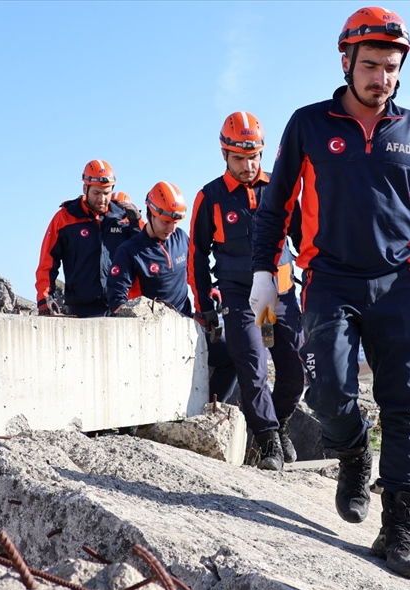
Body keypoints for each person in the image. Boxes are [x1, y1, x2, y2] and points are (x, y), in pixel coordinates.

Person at [250, 6, 410, 580]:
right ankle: (350, 452)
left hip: (397, 286)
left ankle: (399, 528)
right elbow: (276, 208)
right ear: (346, 62)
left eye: (391, 68)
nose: (381, 78)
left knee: (404, 406)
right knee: (325, 395)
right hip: (329, 283)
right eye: (371, 66)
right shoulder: (309, 124)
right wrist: (263, 272)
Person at [189, 111, 305, 471]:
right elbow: (196, 254)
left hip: (283, 294)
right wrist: (204, 303)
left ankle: (280, 422)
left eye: (253, 156)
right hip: (239, 297)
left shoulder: (280, 189)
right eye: (239, 157)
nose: (247, 164)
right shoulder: (210, 197)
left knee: (296, 370)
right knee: (253, 365)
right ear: (225, 154)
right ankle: (268, 441)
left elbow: (305, 241)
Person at [108, 181, 237, 402]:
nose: (171, 228)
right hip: (152, 336)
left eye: (176, 222)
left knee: (232, 356)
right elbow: (116, 301)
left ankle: (207, 409)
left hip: (187, 325)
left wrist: (210, 294)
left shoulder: (181, 238)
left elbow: (195, 274)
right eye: (166, 221)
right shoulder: (129, 251)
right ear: (151, 213)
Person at [35, 159, 144, 318]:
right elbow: (47, 261)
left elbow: (148, 250)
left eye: (106, 193)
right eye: (96, 193)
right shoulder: (65, 218)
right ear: (85, 188)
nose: (102, 199)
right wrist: (44, 297)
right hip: (82, 308)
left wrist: (136, 223)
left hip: (121, 305)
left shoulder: (125, 217)